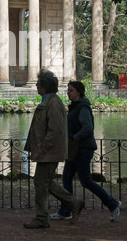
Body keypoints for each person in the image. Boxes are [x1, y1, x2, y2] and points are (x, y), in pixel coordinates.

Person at [50, 80, 122, 223]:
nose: (68, 93)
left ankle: (113, 203)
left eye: (71, 90)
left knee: (86, 181)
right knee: (66, 179)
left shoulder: (82, 107)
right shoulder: (76, 106)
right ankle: (66, 211)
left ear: (79, 92)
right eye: (68, 90)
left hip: (82, 149)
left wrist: (74, 138)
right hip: (75, 149)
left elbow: (87, 128)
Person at [23, 70, 85, 229]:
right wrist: (32, 148)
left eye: (38, 83)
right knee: (45, 182)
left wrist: (42, 149)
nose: (36, 85)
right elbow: (38, 130)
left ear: (44, 87)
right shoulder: (48, 101)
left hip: (49, 153)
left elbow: (55, 131)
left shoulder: (53, 103)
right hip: (46, 152)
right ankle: (74, 203)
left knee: (41, 183)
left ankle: (42, 218)